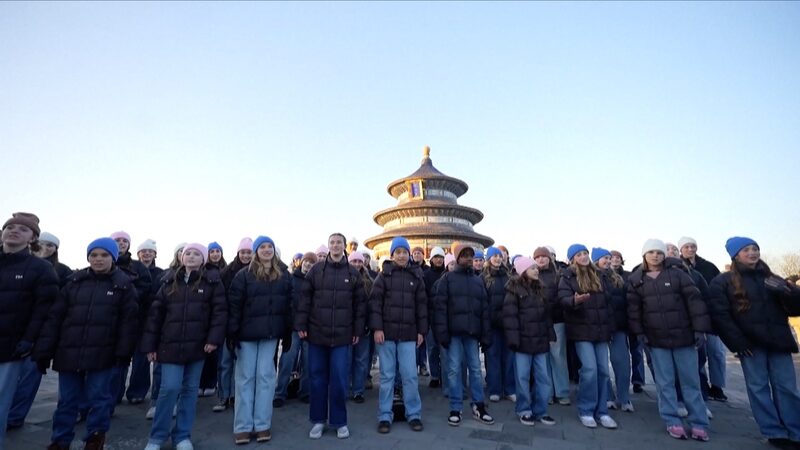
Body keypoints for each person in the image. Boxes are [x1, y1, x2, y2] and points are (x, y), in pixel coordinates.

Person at [36, 237, 139, 450]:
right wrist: (45, 350)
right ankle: (60, 439)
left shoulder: (124, 285)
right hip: (69, 352)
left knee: (99, 399)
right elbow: (56, 317)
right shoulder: (74, 282)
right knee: (66, 401)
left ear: (113, 257)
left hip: (104, 354)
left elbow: (128, 323)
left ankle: (95, 437)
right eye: (94, 255)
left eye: (104, 255)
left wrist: (123, 353)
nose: (98, 259)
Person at [709, 237, 800, 450]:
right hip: (750, 344)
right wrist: (738, 343)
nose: (753, 253)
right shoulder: (723, 282)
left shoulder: (771, 278)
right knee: (758, 388)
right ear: (735, 255)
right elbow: (721, 316)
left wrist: (791, 293)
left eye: (755, 249)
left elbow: (794, 310)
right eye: (747, 250)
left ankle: (795, 430)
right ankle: (774, 431)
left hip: (778, 342)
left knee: (787, 388)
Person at [141, 243, 227, 450]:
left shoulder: (212, 283)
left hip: (197, 347)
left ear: (203, 259)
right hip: (169, 346)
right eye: (188, 253)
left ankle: (182, 435)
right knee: (168, 389)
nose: (191, 256)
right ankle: (157, 437)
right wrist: (150, 345)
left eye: (196, 254)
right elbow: (155, 316)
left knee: (189, 391)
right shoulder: (168, 282)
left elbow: (219, 313)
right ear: (181, 257)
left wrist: (213, 339)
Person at [627, 239, 710, 442]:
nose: (655, 255)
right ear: (644, 255)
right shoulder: (636, 279)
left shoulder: (678, 274)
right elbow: (633, 310)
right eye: (651, 252)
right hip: (656, 338)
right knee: (665, 383)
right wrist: (639, 333)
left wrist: (700, 329)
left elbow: (695, 302)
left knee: (690, 380)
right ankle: (671, 419)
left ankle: (698, 422)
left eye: (659, 252)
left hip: (684, 336)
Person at [295, 233, 367, 440]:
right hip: (317, 333)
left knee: (339, 379)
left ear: (344, 247)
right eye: (332, 243)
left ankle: (339, 421)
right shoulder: (316, 271)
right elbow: (304, 300)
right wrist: (301, 324)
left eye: (339, 243)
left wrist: (357, 330)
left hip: (343, 336)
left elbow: (360, 306)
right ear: (328, 247)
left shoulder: (353, 273)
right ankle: (318, 420)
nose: (335, 246)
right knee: (317, 378)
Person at [0, 212, 59, 448]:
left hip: (9, 348)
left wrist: (29, 340)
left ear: (32, 238)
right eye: (10, 227)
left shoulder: (41, 269)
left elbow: (43, 311)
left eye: (22, 229)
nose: (14, 231)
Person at [227, 236, 292, 444]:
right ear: (255, 251)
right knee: (245, 379)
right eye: (262, 247)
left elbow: (290, 305)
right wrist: (233, 332)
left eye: (269, 247)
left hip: (270, 335)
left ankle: (262, 424)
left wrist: (288, 331)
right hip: (246, 336)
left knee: (265, 378)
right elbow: (234, 306)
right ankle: (243, 426)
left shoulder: (283, 275)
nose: (266, 250)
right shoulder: (242, 276)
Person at [7, 231, 73, 430]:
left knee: (30, 375)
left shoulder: (63, 271)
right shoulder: (15, 263)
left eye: (51, 245)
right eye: (43, 243)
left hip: (42, 328)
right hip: (12, 326)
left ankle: (15, 416)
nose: (47, 247)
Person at [369, 237, 427, 434]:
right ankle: (385, 414)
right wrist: (377, 328)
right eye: (398, 252)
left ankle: (414, 413)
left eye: (404, 252)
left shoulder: (416, 276)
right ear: (392, 255)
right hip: (387, 334)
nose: (401, 255)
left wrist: (421, 331)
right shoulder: (383, 276)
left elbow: (422, 306)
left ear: (409, 254)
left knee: (410, 375)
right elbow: (375, 304)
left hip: (409, 334)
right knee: (387, 376)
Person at [433, 242, 493, 427]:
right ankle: (455, 407)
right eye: (464, 255)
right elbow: (440, 309)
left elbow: (484, 309)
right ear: (457, 257)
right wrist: (442, 334)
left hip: (472, 333)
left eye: (470, 255)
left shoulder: (478, 280)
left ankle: (479, 406)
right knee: (453, 370)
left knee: (475, 370)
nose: (468, 258)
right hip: (454, 334)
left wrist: (485, 334)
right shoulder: (447, 279)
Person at [558, 244, 617, 429]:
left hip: (600, 330)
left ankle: (602, 411)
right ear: (572, 259)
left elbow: (609, 303)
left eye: (585, 253)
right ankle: (586, 409)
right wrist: (574, 301)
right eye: (578, 254)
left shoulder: (599, 275)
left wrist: (610, 328)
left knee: (603, 371)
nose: (583, 257)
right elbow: (563, 299)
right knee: (589, 369)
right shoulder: (567, 276)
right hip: (582, 330)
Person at [504, 256, 556, 426]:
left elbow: (547, 316)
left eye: (536, 267)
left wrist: (550, 335)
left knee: (543, 378)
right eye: (532, 267)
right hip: (523, 343)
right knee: (522, 377)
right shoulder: (513, 290)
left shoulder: (541, 288)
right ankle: (524, 409)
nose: (536, 270)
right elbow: (510, 318)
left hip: (540, 341)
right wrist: (514, 340)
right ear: (523, 271)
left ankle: (541, 410)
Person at [678, 236, 727, 403]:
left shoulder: (708, 267)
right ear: (681, 250)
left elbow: (720, 288)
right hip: (691, 318)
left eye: (692, 246)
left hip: (710, 315)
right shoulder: (677, 268)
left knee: (717, 352)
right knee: (699, 354)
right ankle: (702, 384)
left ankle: (718, 385)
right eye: (686, 247)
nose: (690, 249)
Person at [109, 231, 153, 406]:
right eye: (117, 240)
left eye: (124, 241)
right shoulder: (104, 262)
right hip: (112, 320)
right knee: (117, 359)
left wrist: (125, 296)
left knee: (140, 359)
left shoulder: (138, 267)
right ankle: (114, 394)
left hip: (138, 319)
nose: (121, 243)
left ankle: (137, 391)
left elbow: (145, 289)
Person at [593, 248, 633, 413]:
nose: (608, 261)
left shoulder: (618, 279)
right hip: (599, 327)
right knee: (601, 364)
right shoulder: (590, 277)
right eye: (604, 258)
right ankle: (607, 395)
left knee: (622, 362)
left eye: (609, 258)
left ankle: (624, 397)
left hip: (618, 326)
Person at [275, 252, 317, 407]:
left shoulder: (316, 281)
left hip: (310, 329)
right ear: (302, 262)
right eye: (306, 261)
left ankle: (305, 392)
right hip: (293, 328)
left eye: (312, 263)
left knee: (308, 362)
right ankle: (280, 392)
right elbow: (288, 304)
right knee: (287, 361)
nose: (308, 265)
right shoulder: (292, 279)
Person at [533, 246, 569, 406]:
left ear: (550, 258)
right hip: (538, 322)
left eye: (544, 257)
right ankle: (546, 392)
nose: (541, 259)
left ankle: (562, 392)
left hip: (556, 320)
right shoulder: (531, 276)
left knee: (558, 356)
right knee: (543, 358)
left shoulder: (558, 275)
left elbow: (561, 296)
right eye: (538, 257)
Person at [481, 246, 515, 403]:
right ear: (489, 259)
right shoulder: (483, 278)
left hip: (508, 323)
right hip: (491, 324)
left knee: (509, 358)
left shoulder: (509, 276)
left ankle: (509, 389)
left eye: (499, 256)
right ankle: (494, 389)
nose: (497, 259)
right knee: (493, 356)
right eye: (494, 256)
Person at [347, 251, 373, 404]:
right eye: (354, 261)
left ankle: (358, 390)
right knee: (346, 360)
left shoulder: (369, 281)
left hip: (363, 327)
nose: (357, 264)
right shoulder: (342, 277)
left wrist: (369, 324)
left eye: (359, 261)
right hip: (345, 327)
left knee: (361, 360)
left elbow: (372, 305)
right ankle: (345, 388)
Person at [423, 247, 446, 388]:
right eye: (436, 257)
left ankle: (444, 375)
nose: (438, 259)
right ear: (431, 259)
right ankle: (435, 375)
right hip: (431, 318)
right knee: (432, 349)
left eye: (441, 257)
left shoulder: (448, 274)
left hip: (444, 318)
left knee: (444, 349)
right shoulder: (426, 275)